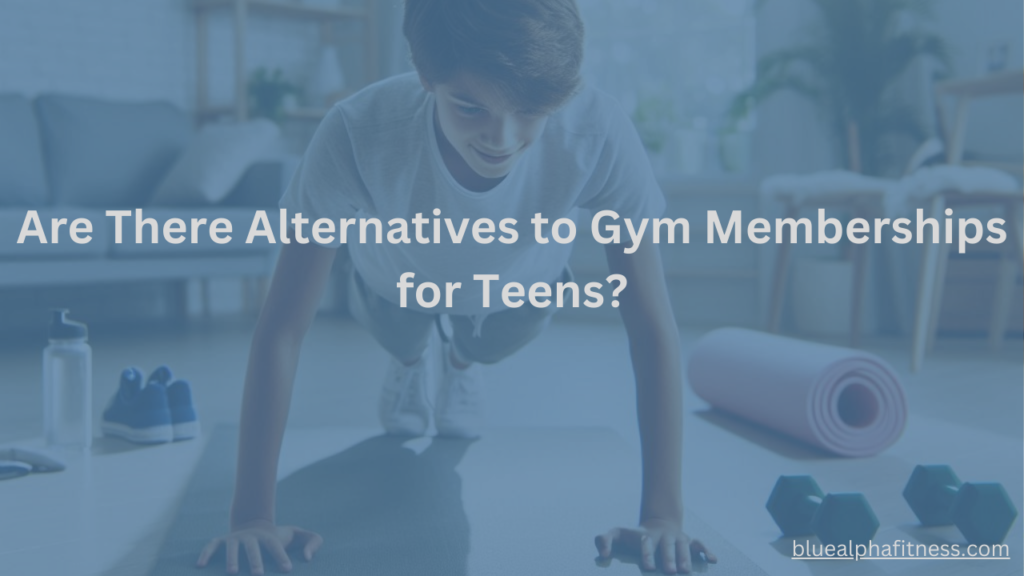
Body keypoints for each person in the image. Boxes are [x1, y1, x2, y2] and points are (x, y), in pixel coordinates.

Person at [196, 0, 717, 573]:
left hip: (516, 288)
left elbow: (649, 325)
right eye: (470, 106)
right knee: (401, 331)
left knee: (490, 341)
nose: (502, 137)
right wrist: (250, 516)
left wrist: (663, 515)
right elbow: (283, 328)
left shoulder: (596, 130)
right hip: (394, 282)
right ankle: (412, 362)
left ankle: (461, 365)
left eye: (528, 112)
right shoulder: (355, 130)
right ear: (426, 77)